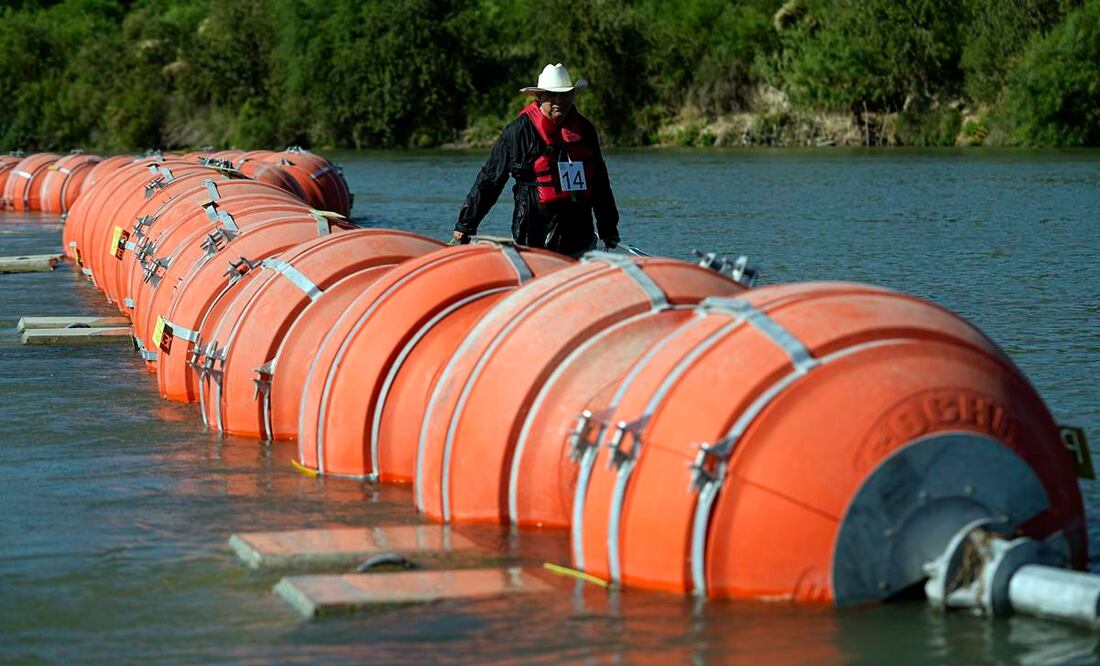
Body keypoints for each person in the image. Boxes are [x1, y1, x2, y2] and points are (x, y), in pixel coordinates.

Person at [452, 63, 619, 257]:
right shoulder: (518, 132)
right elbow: (490, 179)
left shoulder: (585, 130)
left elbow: (600, 181)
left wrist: (608, 228)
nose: (559, 101)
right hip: (534, 234)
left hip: (579, 234)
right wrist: (466, 224)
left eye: (564, 94)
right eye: (551, 95)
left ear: (572, 95)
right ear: (539, 97)